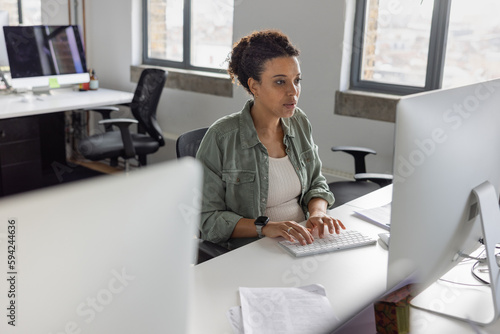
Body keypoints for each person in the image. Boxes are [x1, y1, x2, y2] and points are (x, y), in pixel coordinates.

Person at [196, 29, 345, 250]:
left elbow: (316, 183)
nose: (293, 92)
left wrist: (318, 213)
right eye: (280, 82)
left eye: (297, 80)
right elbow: (208, 220)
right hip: (255, 249)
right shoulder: (221, 138)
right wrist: (266, 227)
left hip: (303, 240)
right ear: (254, 86)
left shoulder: (299, 122)